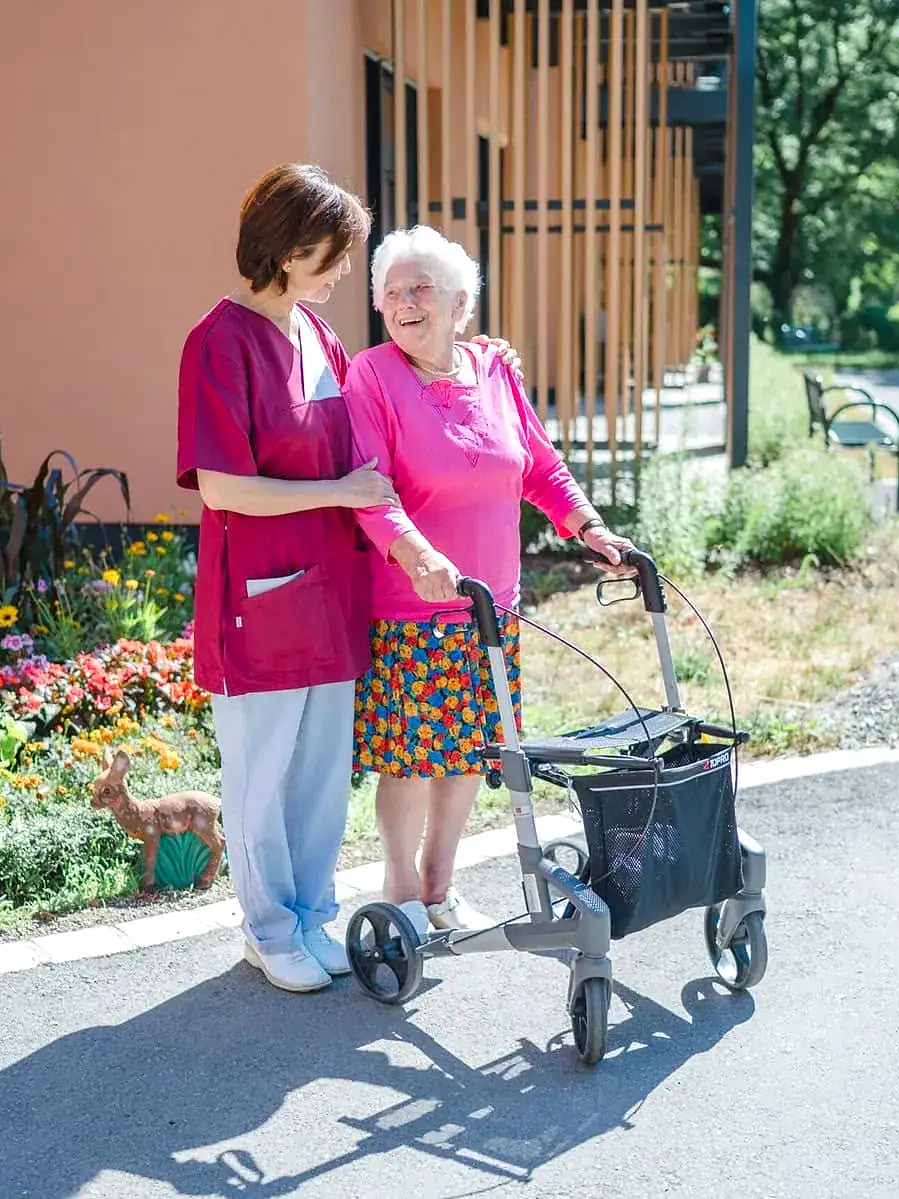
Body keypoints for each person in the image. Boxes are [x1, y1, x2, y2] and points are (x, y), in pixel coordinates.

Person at [176, 169, 523, 994]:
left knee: (321, 773)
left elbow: (371, 431)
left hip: (332, 595)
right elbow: (223, 486)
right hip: (256, 601)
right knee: (261, 777)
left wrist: (482, 357)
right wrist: (335, 493)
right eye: (334, 257)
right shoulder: (218, 342)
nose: (344, 277)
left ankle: (310, 916)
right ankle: (267, 931)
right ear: (290, 248)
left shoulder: (319, 339)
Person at [344, 225, 634, 934]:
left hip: (491, 609)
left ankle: (442, 885)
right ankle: (402, 888)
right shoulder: (372, 376)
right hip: (414, 610)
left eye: (421, 288)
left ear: (460, 302)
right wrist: (417, 554)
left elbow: (539, 465)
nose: (405, 303)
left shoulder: (494, 370)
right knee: (411, 758)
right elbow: (369, 490)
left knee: (473, 750)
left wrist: (589, 527)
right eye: (391, 292)